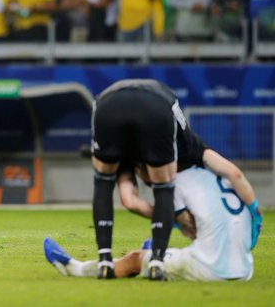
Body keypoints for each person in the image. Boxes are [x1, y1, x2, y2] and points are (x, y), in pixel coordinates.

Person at [44, 166, 255, 281]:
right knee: (162, 249)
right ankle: (157, 252)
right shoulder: (212, 176)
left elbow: (188, 227)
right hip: (245, 268)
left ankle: (74, 268)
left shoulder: (177, 182)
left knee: (137, 259)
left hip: (211, 268)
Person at [90, 79, 182, 280]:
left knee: (103, 181)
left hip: (108, 105)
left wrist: (170, 218)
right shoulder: (188, 145)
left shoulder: (125, 158)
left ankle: (104, 261)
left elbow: (129, 200)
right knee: (164, 186)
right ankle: (157, 262)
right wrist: (177, 216)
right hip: (155, 104)